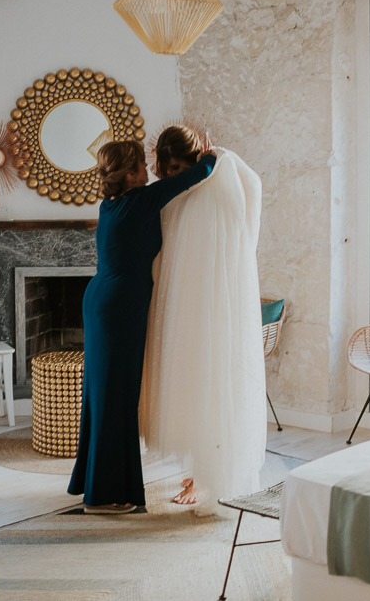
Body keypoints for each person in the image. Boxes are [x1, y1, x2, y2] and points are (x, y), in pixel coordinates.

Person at [68, 139, 216, 514]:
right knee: (116, 399)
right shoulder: (141, 200)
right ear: (130, 172)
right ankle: (103, 497)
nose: (149, 169)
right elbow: (202, 172)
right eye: (141, 164)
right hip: (119, 307)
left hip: (103, 299)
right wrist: (211, 154)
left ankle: (95, 483)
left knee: (104, 397)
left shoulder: (111, 205)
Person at [139, 125, 266, 515]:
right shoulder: (182, 192)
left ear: (194, 160)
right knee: (189, 387)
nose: (172, 176)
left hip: (211, 305)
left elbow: (242, 224)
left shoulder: (217, 183)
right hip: (185, 304)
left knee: (211, 387)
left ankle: (210, 480)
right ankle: (197, 472)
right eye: (167, 170)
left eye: (178, 167)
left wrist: (218, 156)